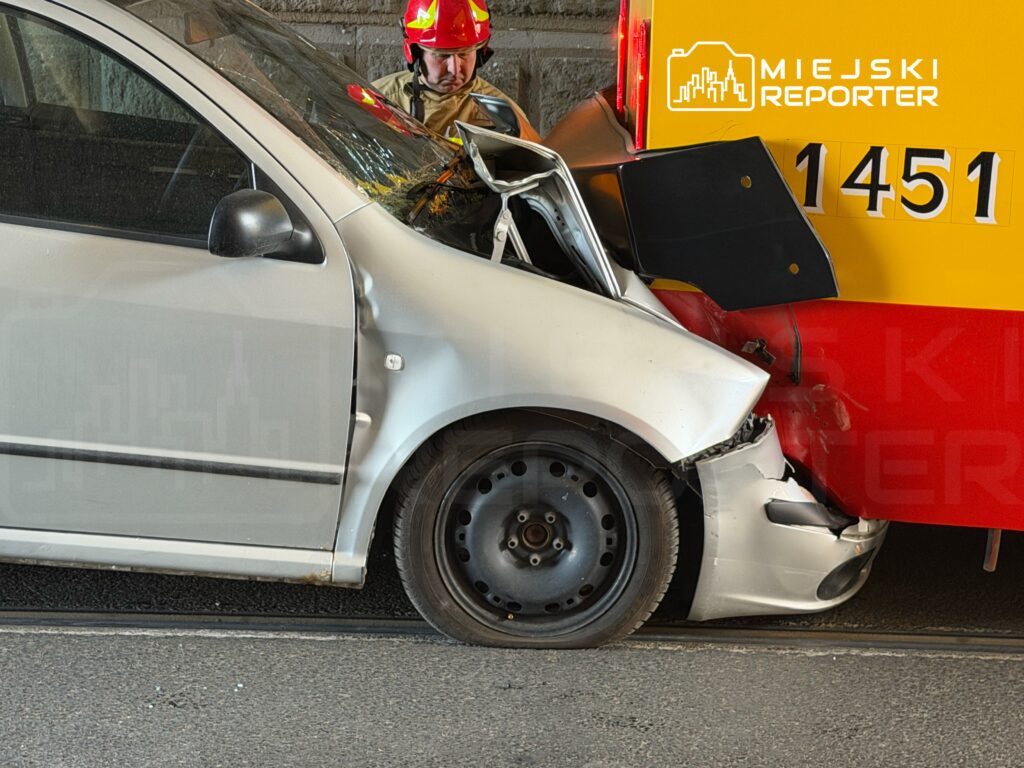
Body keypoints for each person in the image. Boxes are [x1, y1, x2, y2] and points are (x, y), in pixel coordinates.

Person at [372, 0, 541, 143]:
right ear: (416, 53)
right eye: (442, 55)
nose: (454, 69)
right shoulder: (376, 100)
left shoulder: (506, 117)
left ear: (480, 52)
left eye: (464, 53)